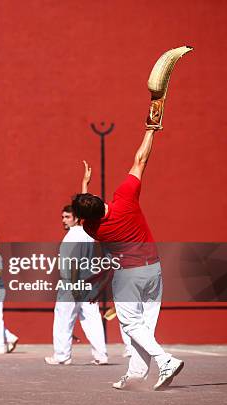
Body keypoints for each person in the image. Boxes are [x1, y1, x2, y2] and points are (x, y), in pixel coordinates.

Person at [72, 129, 183, 390]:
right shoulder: (125, 197)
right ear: (99, 199)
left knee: (132, 325)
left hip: (128, 276)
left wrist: (83, 185)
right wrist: (150, 130)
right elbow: (140, 159)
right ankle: (136, 375)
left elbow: (84, 217)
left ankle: (165, 360)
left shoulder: (94, 228)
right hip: (153, 270)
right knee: (143, 327)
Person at [45, 206, 108, 365]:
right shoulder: (88, 235)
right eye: (62, 217)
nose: (63, 220)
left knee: (63, 319)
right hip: (88, 283)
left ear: (77, 218)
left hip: (71, 284)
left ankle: (62, 356)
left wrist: (73, 285)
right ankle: (101, 355)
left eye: (67, 217)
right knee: (92, 320)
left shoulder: (72, 236)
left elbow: (74, 262)